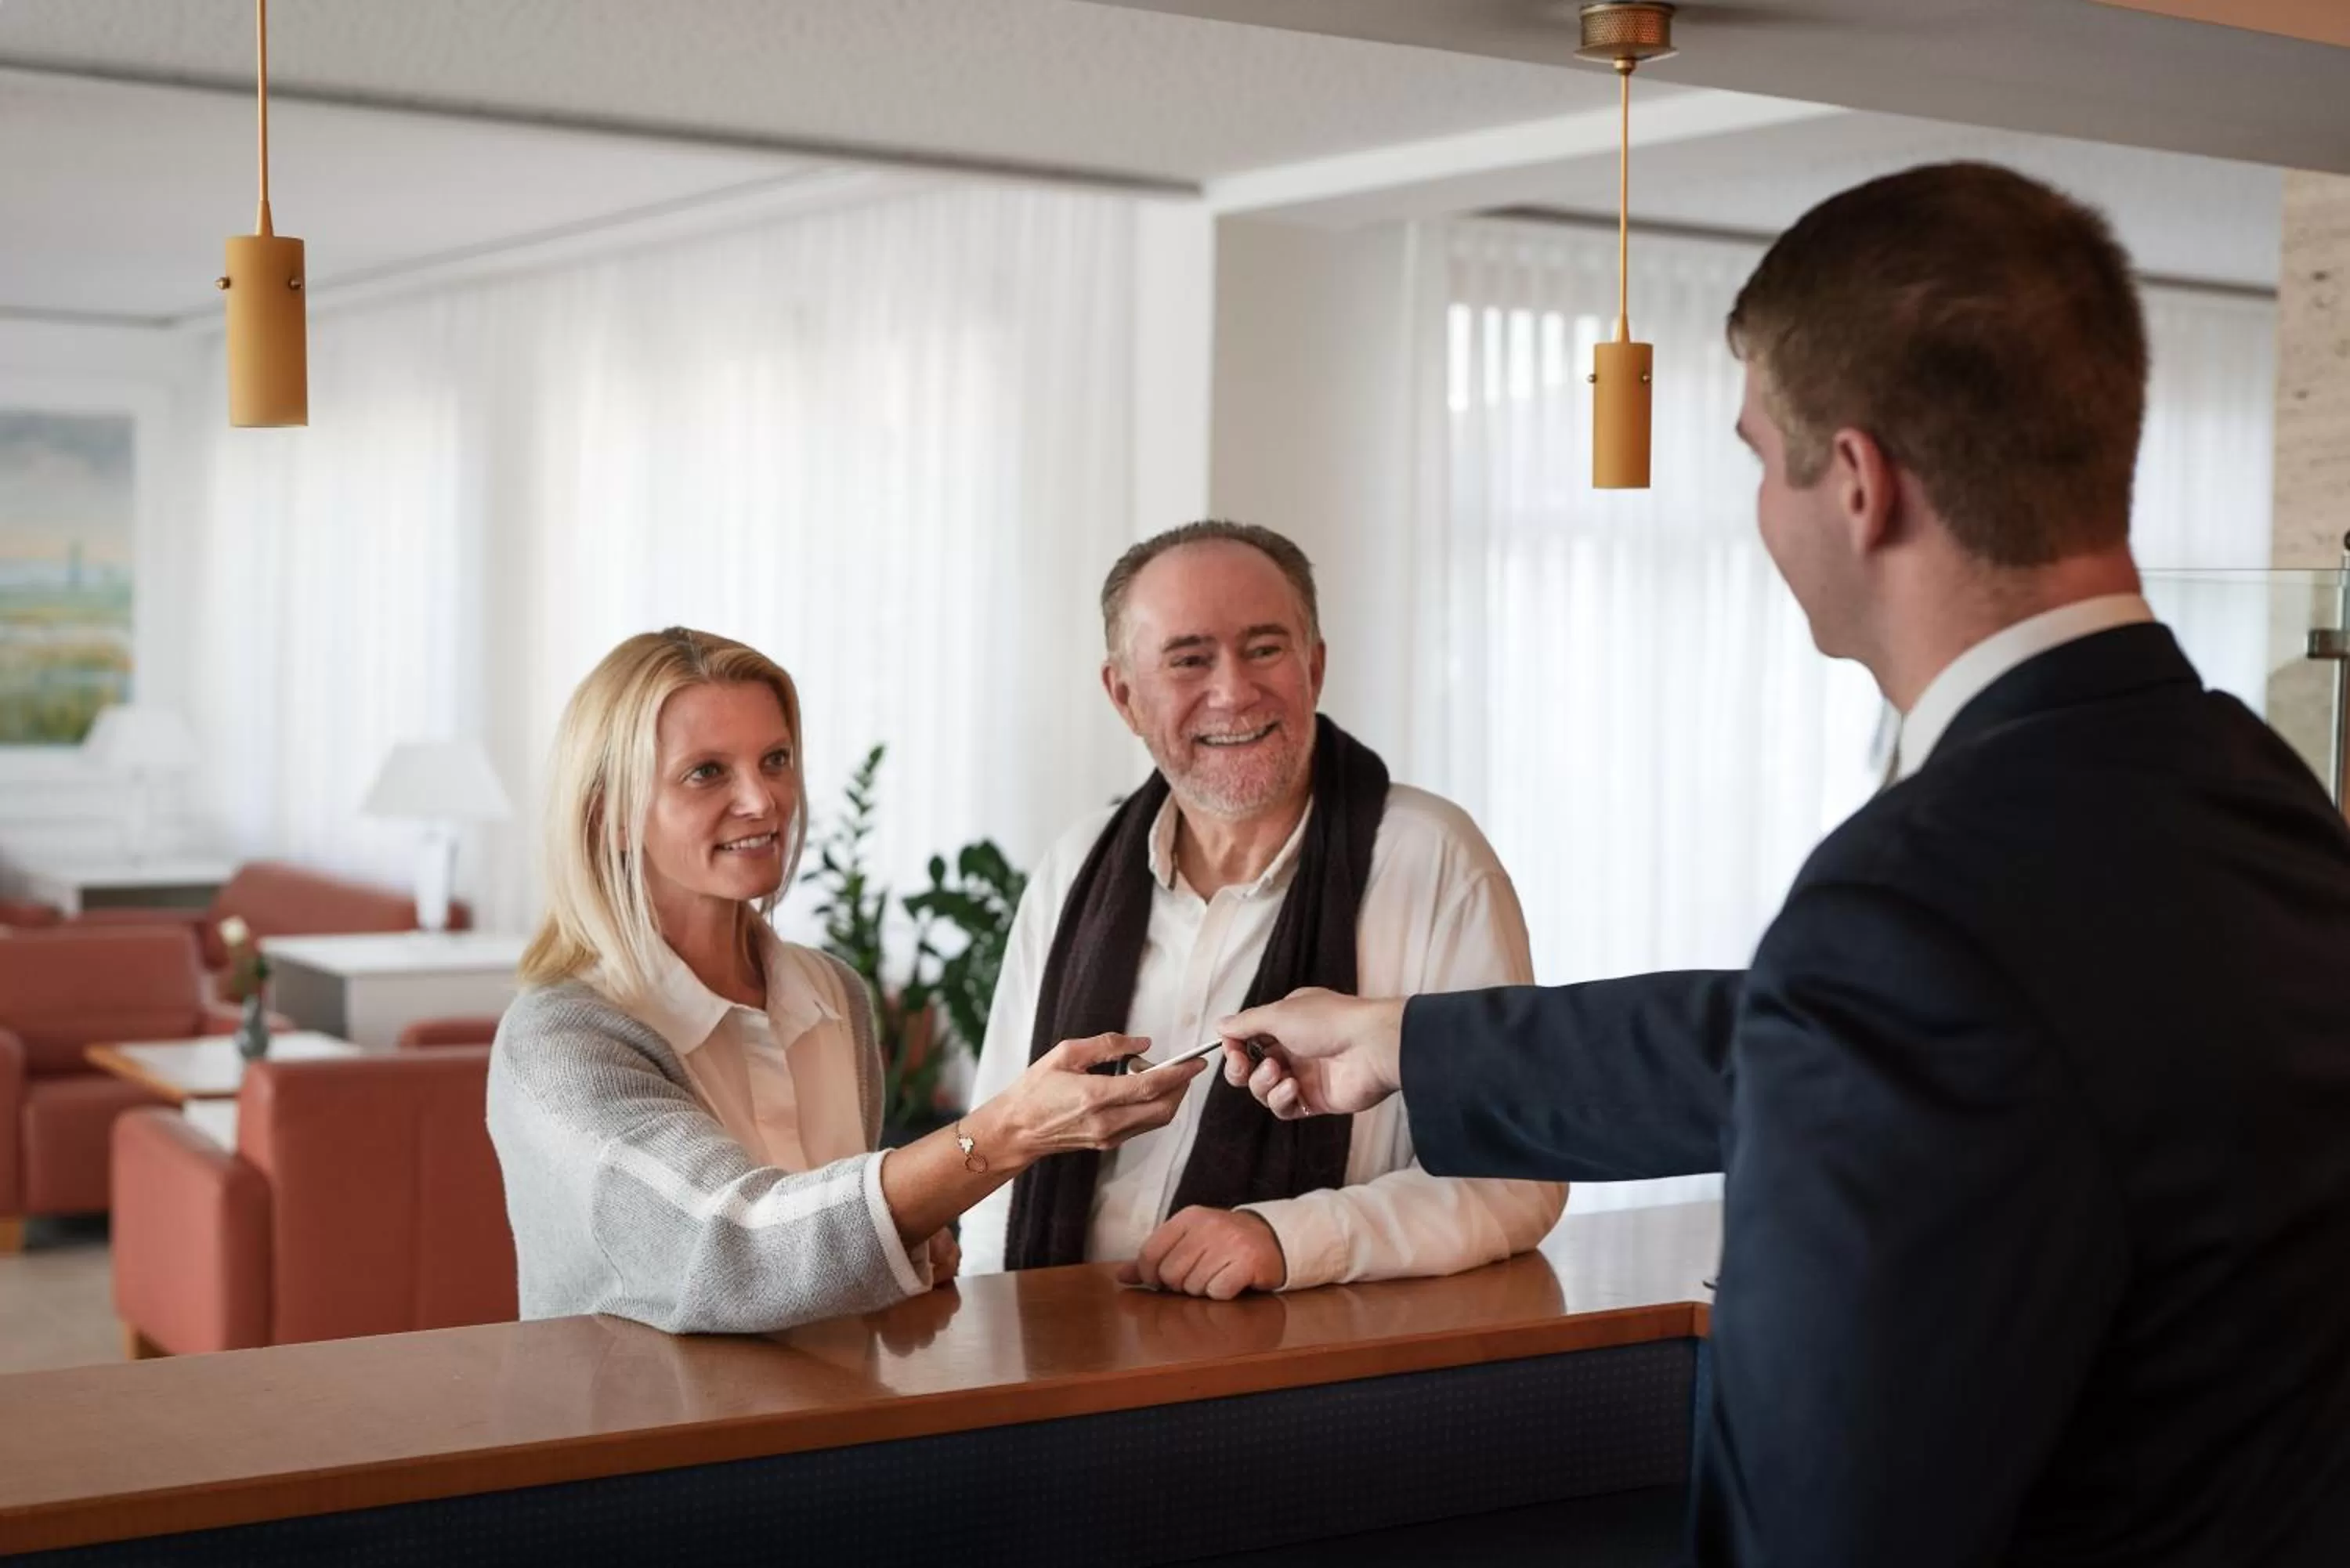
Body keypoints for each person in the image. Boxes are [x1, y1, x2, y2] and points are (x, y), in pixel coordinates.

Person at [1217, 164, 2350, 1564]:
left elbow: (1826, 1515)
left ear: (1860, 482)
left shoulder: (1909, 903)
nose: (1759, 503)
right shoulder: (2259, 792)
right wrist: (1401, 1041)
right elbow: (1845, 1032)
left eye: (1759, 454)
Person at [487, 627, 1201, 1334]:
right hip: (645, 1445)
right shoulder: (562, 1040)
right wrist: (1008, 1131)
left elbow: (817, 1262)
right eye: (707, 772)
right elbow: (735, 1246)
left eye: (775, 760)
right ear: (607, 815)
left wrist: (909, 1254)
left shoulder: (833, 996)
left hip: (834, 1430)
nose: (762, 801)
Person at [959, 522, 1563, 1299]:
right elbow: (1002, 1155)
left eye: (1266, 648)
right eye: (1188, 659)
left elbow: (1515, 1176)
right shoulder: (1074, 867)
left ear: (1314, 667)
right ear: (1123, 695)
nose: (1234, 690)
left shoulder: (1434, 860)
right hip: (1053, 1356)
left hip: (1298, 1370)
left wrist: (1287, 1239)